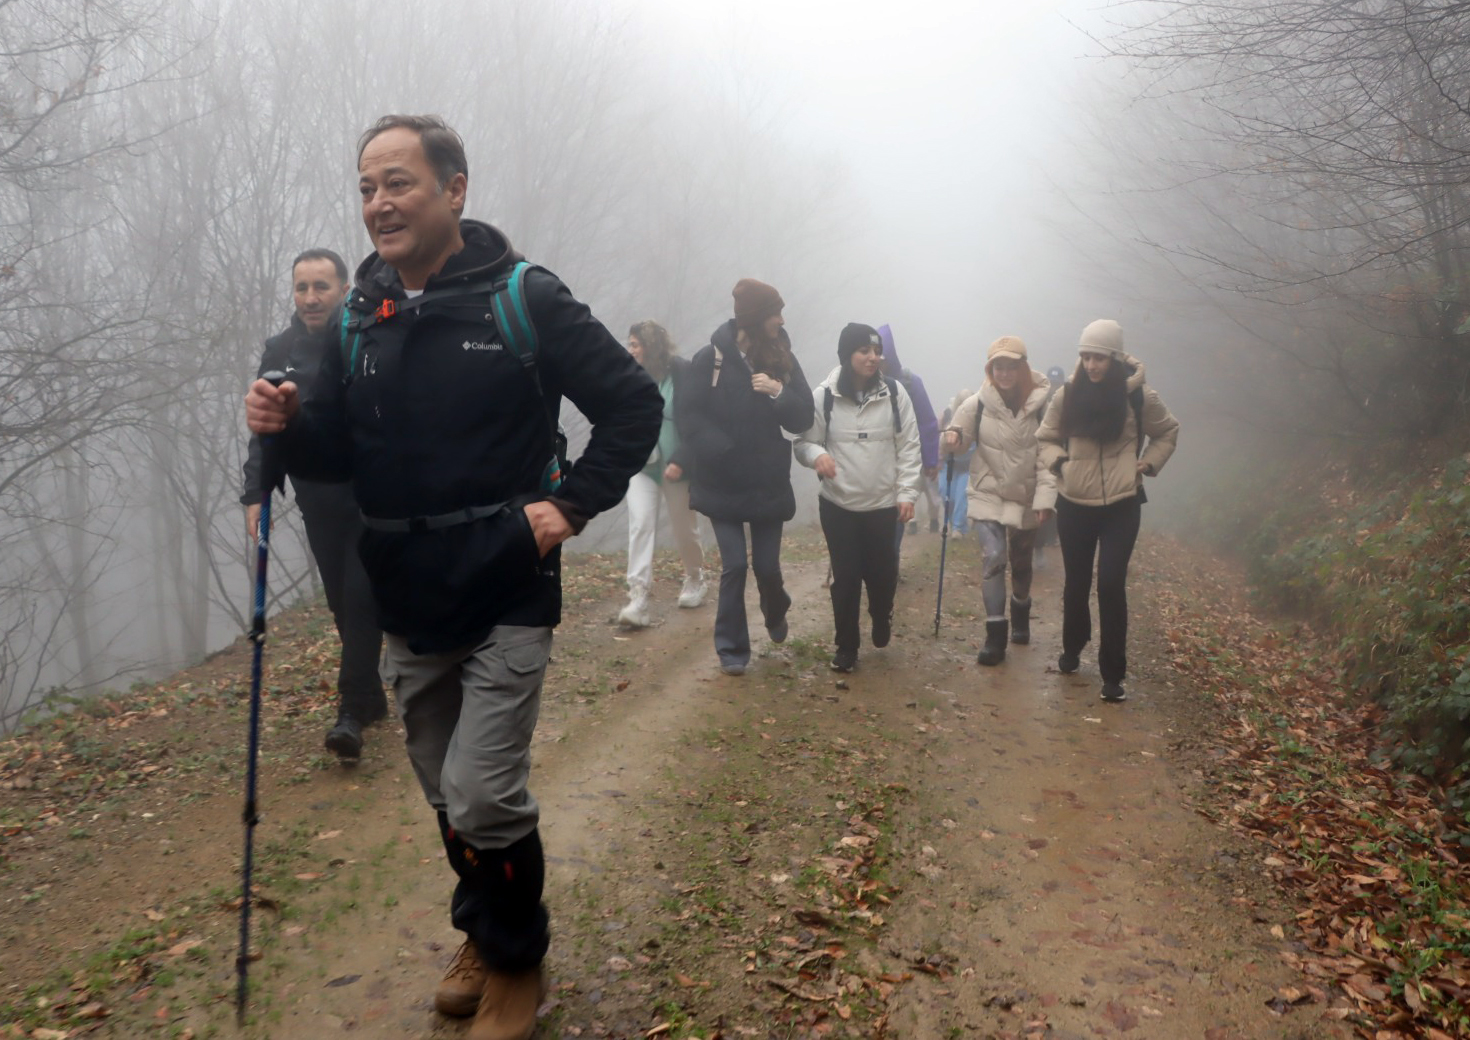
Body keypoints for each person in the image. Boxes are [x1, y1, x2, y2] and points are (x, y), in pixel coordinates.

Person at [244, 114, 662, 1040]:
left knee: (482, 792)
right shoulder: (358, 315)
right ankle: (483, 929)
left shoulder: (523, 297)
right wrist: (288, 425)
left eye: (398, 182)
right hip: (406, 588)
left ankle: (516, 960)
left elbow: (634, 406)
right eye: (366, 188)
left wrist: (570, 506)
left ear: (455, 189)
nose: (379, 204)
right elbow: (338, 451)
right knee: (445, 789)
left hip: (508, 580)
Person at [241, 249, 387, 761]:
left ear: (344, 290)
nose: (310, 297)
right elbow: (265, 426)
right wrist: (255, 492)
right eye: (301, 287)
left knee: (362, 596)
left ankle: (350, 712)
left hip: (369, 494)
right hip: (315, 496)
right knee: (341, 601)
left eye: (321, 286)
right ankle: (369, 696)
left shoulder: (364, 339)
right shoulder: (280, 349)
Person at [677, 278, 814, 676]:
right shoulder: (711, 359)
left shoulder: (781, 357)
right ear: (755, 318)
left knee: (767, 568)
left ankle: (775, 608)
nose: (781, 320)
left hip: (766, 481)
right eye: (775, 313)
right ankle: (732, 649)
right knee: (735, 565)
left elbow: (804, 417)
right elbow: (688, 415)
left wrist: (777, 391)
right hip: (720, 481)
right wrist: (719, 448)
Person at [1037, 319, 1179, 703]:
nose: (1091, 365)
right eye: (1085, 357)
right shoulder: (1067, 395)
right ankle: (1072, 646)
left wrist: (1149, 462)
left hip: (1122, 504)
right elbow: (1045, 437)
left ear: (1114, 358)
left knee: (1112, 584)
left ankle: (1113, 674)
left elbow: (1168, 431)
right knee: (1077, 582)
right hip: (1074, 503)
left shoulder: (1138, 397)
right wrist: (1060, 463)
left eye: (1098, 358)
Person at [795, 324, 922, 672]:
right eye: (864, 351)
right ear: (846, 354)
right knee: (846, 578)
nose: (873, 357)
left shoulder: (895, 393)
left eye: (876, 351)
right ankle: (846, 647)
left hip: (882, 505)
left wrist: (907, 493)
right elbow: (803, 442)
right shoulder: (824, 396)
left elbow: (909, 446)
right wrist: (817, 456)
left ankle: (882, 613)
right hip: (838, 505)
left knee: (882, 575)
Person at [944, 339, 1055, 666]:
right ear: (990, 369)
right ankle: (995, 637)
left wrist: (1045, 498)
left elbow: (1048, 456)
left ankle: (1021, 608)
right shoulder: (976, 404)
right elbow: (956, 437)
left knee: (1021, 562)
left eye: (1011, 366)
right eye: (998, 367)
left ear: (1023, 368)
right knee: (994, 557)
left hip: (1026, 493)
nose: (1004, 373)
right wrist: (952, 437)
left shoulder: (1042, 406)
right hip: (987, 490)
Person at [617, 320, 706, 628]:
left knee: (684, 529)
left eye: (635, 344)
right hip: (641, 466)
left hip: (676, 466)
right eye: (629, 344)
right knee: (640, 524)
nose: (630, 351)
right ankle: (638, 597)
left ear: (651, 346)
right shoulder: (628, 375)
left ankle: (695, 577)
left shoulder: (681, 372)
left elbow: (696, 421)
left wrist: (682, 459)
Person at [877, 325, 940, 544]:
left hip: (905, 458)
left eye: (882, 358)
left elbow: (927, 422)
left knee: (896, 515)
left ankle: (890, 560)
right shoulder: (863, 383)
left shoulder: (911, 383)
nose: (877, 363)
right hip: (873, 462)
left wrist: (930, 460)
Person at [940, 388, 974, 537]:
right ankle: (955, 523)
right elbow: (939, 438)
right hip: (949, 464)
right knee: (946, 494)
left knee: (962, 495)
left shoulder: (978, 420)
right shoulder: (948, 416)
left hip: (967, 466)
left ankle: (958, 528)